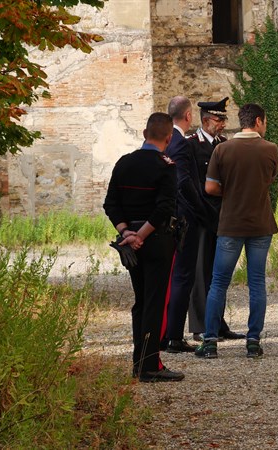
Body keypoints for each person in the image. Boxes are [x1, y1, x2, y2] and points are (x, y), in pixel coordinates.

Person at [102, 112, 184, 382]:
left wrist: (127, 232)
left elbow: (110, 204)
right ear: (169, 138)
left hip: (130, 244)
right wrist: (142, 235)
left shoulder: (124, 163)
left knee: (141, 301)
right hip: (157, 239)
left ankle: (140, 362)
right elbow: (164, 207)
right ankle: (150, 365)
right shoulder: (166, 165)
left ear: (143, 133)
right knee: (155, 302)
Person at [195, 103, 278, 359]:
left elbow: (210, 188)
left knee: (219, 282)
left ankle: (209, 341)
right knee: (257, 283)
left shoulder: (222, 149)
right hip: (260, 223)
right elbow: (269, 180)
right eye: (264, 121)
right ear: (257, 121)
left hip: (230, 223)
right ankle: (253, 340)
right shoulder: (270, 149)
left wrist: (230, 191)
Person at [186, 97, 245, 342]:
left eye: (223, 120)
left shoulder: (224, 144)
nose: (222, 124)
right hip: (201, 218)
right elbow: (191, 184)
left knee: (219, 273)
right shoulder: (192, 145)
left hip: (223, 216)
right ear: (207, 120)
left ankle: (218, 322)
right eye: (220, 120)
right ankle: (200, 326)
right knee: (201, 273)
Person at [162, 96, 210, 353]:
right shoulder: (179, 143)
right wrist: (200, 210)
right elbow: (183, 182)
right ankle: (174, 336)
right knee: (183, 276)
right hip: (183, 218)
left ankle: (166, 333)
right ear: (189, 116)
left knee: (171, 276)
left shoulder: (164, 139)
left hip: (165, 217)